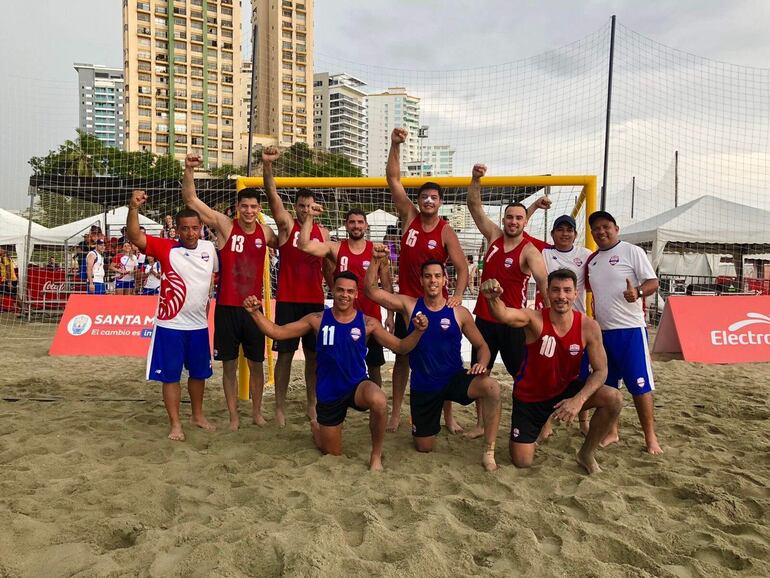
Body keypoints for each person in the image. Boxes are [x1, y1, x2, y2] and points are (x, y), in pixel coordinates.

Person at [244, 271, 429, 471]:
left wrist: (418, 332)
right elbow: (277, 332)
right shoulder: (317, 319)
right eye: (340, 290)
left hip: (356, 386)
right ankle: (317, 430)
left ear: (356, 294)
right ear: (332, 290)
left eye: (350, 291)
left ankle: (376, 456)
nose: (344, 295)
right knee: (332, 453)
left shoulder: (368, 323)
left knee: (379, 400)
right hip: (328, 393)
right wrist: (255, 313)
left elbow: (401, 347)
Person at [365, 247, 502, 471]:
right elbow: (371, 291)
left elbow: (482, 346)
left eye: (437, 276)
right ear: (421, 280)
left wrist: (482, 363)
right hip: (425, 386)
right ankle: (427, 423)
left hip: (454, 380)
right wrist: (375, 261)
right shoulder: (410, 305)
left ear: (445, 279)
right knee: (424, 447)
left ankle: (489, 451)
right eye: (428, 276)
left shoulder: (459, 312)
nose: (433, 280)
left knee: (492, 387)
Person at [480, 271, 623, 474]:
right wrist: (494, 299)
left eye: (567, 290)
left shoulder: (589, 326)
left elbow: (601, 370)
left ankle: (586, 454)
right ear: (547, 292)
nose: (561, 296)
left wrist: (578, 400)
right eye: (555, 290)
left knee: (614, 398)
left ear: (576, 294)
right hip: (530, 398)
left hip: (564, 391)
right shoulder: (534, 318)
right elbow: (504, 315)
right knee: (522, 461)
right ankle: (537, 429)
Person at [181, 153, 279, 431]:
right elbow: (191, 201)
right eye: (244, 206)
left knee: (257, 363)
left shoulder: (265, 231)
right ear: (237, 207)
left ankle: (257, 412)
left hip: (253, 309)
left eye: (253, 207)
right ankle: (234, 416)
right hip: (226, 307)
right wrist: (189, 170)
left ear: (259, 209)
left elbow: (287, 236)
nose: (249, 211)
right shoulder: (225, 226)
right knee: (228, 366)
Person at [386, 128, 469, 433]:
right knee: (403, 358)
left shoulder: (446, 230)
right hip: (407, 300)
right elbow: (393, 179)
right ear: (418, 200)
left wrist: (457, 295)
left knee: (443, 361)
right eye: (424, 196)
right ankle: (396, 412)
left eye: (434, 197)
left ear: (440, 202)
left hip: (436, 304)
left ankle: (447, 415)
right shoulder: (408, 215)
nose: (428, 201)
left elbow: (462, 268)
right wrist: (395, 145)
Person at [126, 190, 218, 442]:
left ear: (201, 228)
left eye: (195, 228)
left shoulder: (210, 248)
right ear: (176, 230)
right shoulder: (166, 248)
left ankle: (197, 416)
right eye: (185, 228)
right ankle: (175, 423)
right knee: (171, 376)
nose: (190, 233)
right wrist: (133, 208)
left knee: (199, 374)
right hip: (170, 325)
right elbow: (134, 236)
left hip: (199, 326)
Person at [465, 163, 550, 437]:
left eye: (518, 218)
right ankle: (480, 424)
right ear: (503, 220)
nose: (513, 221)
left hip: (512, 323)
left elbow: (544, 281)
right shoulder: (493, 237)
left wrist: (549, 317)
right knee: (479, 373)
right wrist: (476, 179)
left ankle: (538, 422)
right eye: (509, 217)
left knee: (521, 377)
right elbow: (474, 206)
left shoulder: (529, 251)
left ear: (525, 222)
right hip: (484, 321)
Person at [263, 146, 331, 427]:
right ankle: (279, 407)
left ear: (316, 207)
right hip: (289, 300)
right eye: (302, 206)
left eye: (310, 206)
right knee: (286, 356)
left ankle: (312, 405)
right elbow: (272, 195)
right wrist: (268, 166)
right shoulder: (287, 225)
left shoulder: (323, 232)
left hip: (314, 301)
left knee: (314, 358)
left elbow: (329, 265)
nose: (305, 210)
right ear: (297, 207)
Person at [586, 210, 663, 455]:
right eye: (596, 228)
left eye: (606, 226)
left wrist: (638, 293)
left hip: (630, 330)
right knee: (608, 387)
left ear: (616, 228)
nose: (601, 231)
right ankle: (612, 432)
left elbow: (653, 282)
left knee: (640, 386)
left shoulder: (632, 251)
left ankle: (650, 438)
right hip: (603, 333)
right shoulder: (593, 260)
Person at [298, 204, 396, 385]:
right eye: (352, 222)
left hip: (370, 316)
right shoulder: (335, 248)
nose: (356, 226)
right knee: (335, 362)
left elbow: (387, 285)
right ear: (346, 225)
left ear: (366, 225)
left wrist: (390, 315)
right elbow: (303, 245)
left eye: (360, 222)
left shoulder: (377, 251)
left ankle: (374, 408)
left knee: (374, 366)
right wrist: (309, 217)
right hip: (341, 319)